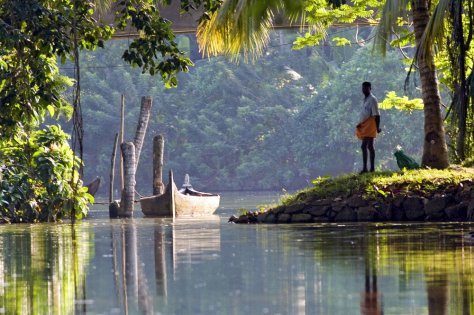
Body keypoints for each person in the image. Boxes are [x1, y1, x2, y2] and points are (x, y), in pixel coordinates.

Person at [356, 82, 381, 173]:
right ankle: (369, 168)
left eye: (366, 88)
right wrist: (360, 123)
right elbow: (364, 114)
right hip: (364, 124)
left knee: (365, 146)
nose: (364, 90)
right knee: (369, 146)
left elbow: (377, 115)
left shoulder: (372, 99)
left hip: (370, 124)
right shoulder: (365, 99)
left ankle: (368, 168)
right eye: (363, 88)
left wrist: (377, 128)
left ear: (370, 88)